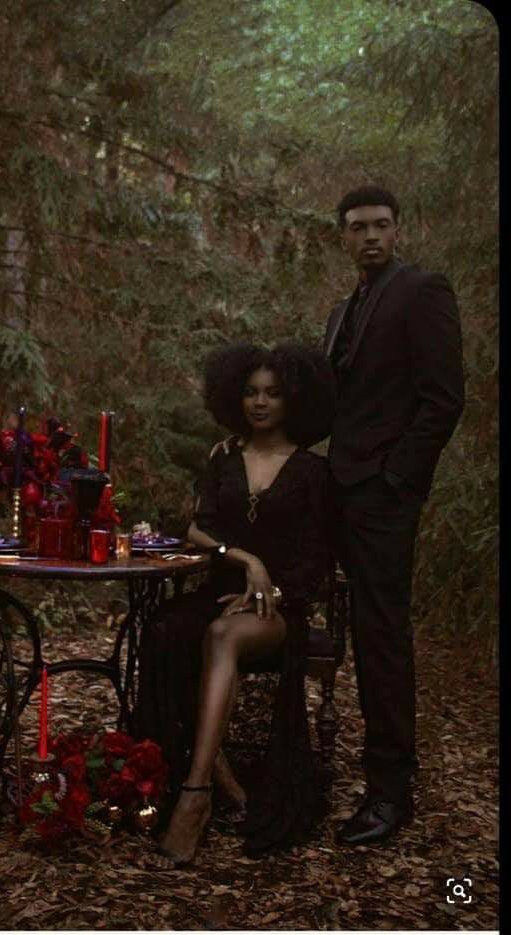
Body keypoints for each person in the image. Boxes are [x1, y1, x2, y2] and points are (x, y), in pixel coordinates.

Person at [134, 341, 337, 867]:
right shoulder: (224, 457)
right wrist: (245, 558)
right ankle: (220, 775)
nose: (261, 403)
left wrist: (271, 589)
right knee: (162, 628)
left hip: (277, 609)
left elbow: (318, 558)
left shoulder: (313, 472)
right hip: (220, 592)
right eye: (250, 392)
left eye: (273, 393)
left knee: (224, 635)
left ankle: (196, 794)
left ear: (295, 399)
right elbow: (198, 527)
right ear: (234, 397)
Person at [324, 185, 465, 845]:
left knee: (381, 635)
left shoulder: (421, 291)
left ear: (397, 228)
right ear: (344, 237)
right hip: (338, 489)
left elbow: (442, 400)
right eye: (358, 227)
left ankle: (390, 792)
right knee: (334, 624)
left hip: (383, 496)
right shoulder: (341, 310)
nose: (371, 236)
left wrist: (394, 480)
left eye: (382, 224)